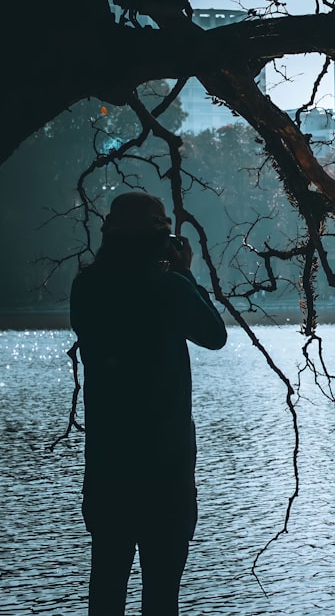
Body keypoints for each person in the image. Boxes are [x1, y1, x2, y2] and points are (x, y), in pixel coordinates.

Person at [70, 192, 227, 615]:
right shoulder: (170, 288)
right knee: (161, 599)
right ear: (161, 240)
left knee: (105, 592)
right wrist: (185, 274)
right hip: (166, 473)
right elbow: (215, 335)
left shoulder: (86, 287)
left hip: (108, 471)